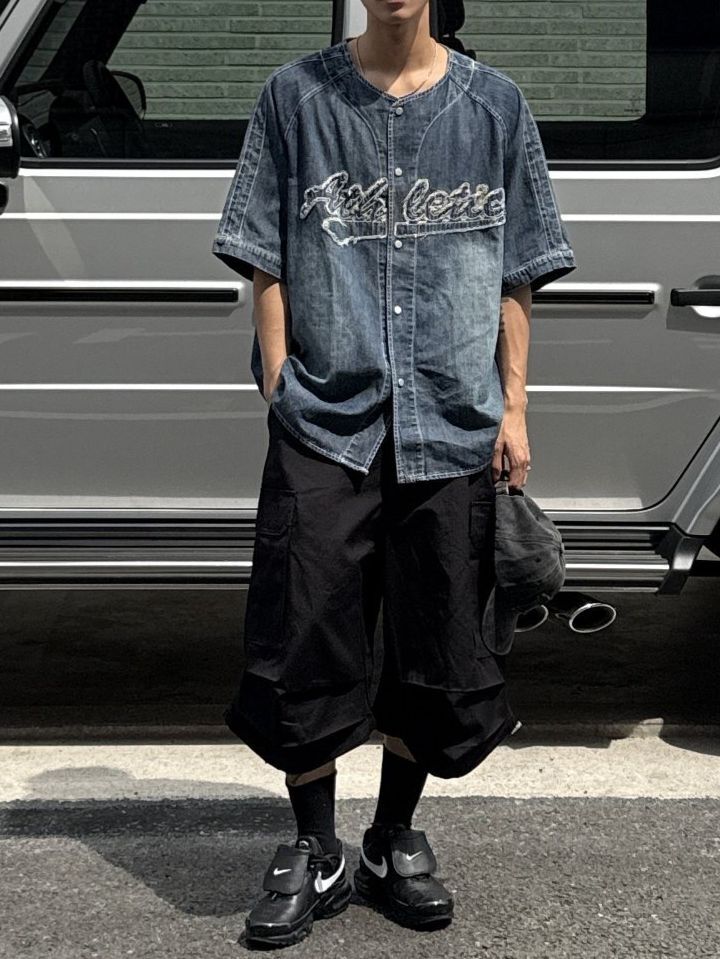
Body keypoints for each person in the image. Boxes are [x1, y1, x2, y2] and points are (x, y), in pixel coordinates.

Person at [212, 0, 577, 947]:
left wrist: (514, 406)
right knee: (302, 634)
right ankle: (316, 844)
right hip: (326, 422)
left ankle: (391, 837)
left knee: (438, 637)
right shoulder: (295, 97)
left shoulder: (495, 107)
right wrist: (280, 378)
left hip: (451, 419)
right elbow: (262, 254)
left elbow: (517, 270)